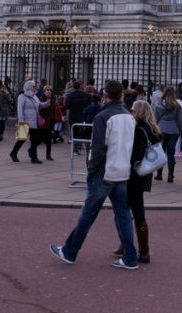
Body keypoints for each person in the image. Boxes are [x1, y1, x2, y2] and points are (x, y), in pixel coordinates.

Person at [50, 80, 139, 269]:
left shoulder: (103, 116)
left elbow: (98, 150)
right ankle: (130, 257)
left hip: (104, 172)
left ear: (106, 95)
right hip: (122, 171)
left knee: (88, 214)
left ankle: (69, 251)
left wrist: (91, 172)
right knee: (123, 214)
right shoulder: (130, 117)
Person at [116, 100, 161, 263]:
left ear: (139, 112)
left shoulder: (138, 129)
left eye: (133, 109)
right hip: (143, 174)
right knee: (130, 209)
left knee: (129, 211)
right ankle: (133, 247)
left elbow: (136, 155)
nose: (131, 112)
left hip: (134, 175)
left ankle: (140, 250)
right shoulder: (151, 128)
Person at [153, 85, 182, 182]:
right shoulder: (177, 106)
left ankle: (159, 174)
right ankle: (170, 175)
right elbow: (180, 121)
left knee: (161, 153)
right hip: (174, 131)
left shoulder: (159, 104)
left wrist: (154, 130)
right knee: (171, 153)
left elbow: (156, 119)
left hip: (162, 130)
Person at [11, 80, 46, 164]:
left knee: (34, 139)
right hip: (25, 121)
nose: (34, 87)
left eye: (34, 86)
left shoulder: (34, 96)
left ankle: (34, 157)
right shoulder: (22, 96)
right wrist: (21, 121)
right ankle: (13, 153)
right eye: (33, 86)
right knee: (21, 139)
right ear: (28, 87)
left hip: (34, 122)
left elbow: (39, 105)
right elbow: (20, 110)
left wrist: (47, 103)